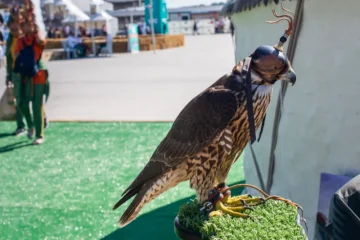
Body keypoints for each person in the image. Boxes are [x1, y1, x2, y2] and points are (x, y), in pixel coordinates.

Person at [14, 18, 49, 145]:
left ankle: (40, 135)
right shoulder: (20, 41)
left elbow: (42, 40)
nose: (28, 26)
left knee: (36, 105)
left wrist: (38, 24)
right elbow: (17, 57)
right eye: (25, 24)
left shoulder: (38, 39)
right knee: (22, 103)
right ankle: (30, 125)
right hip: (24, 76)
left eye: (30, 24)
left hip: (39, 74)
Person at [5, 18, 26, 136]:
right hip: (15, 72)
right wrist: (8, 76)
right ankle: (21, 126)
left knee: (31, 98)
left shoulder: (27, 39)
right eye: (11, 29)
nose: (14, 32)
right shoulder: (10, 39)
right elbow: (9, 58)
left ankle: (41, 119)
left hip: (28, 72)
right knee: (18, 100)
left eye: (16, 29)